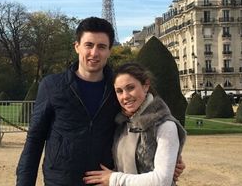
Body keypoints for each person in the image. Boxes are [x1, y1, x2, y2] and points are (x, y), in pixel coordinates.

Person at [16, 17, 121, 185]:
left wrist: (167, 156)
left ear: (109, 51)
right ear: (77, 47)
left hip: (104, 181)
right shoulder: (52, 86)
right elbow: (34, 140)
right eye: (89, 45)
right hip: (61, 180)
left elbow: (146, 120)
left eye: (101, 47)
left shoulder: (119, 88)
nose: (94, 53)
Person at [82, 63, 186, 186]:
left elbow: (162, 181)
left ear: (146, 85)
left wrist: (114, 179)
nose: (125, 96)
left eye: (130, 88)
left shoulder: (165, 125)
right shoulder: (121, 124)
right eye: (119, 91)